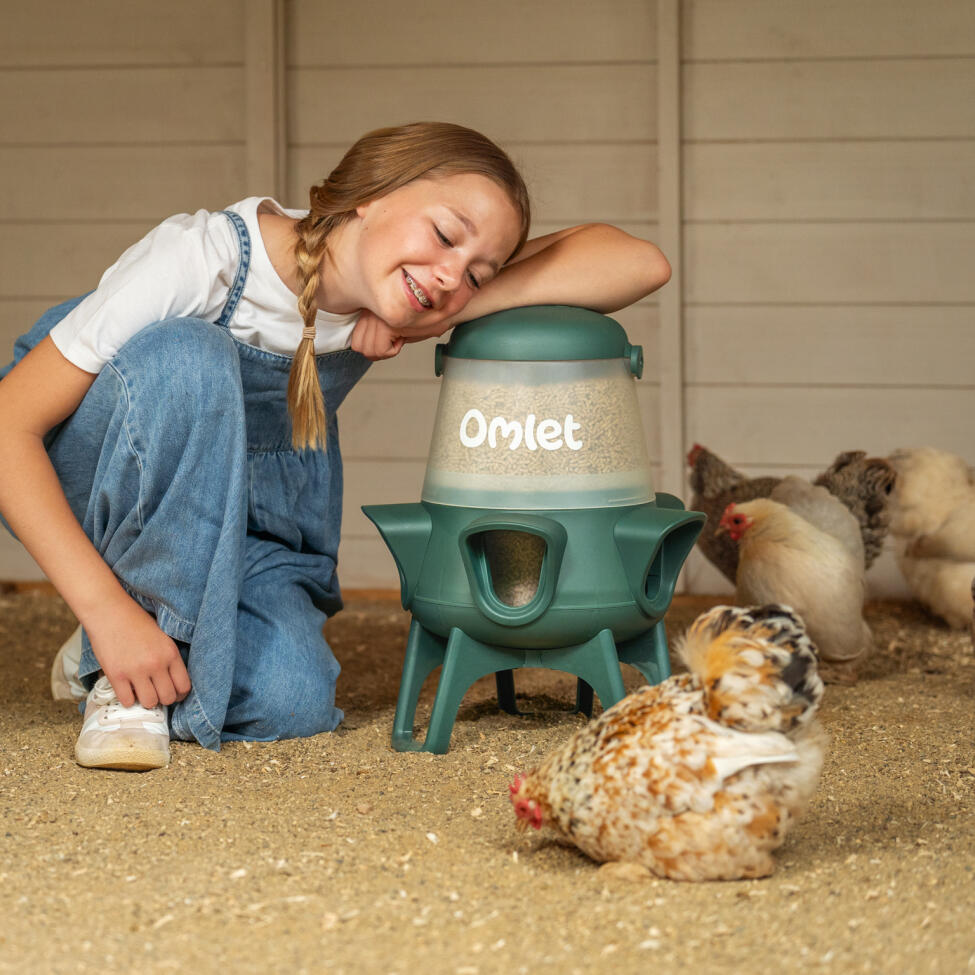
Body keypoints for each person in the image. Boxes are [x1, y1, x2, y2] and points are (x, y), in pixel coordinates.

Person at [0, 121, 671, 771]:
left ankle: (141, 630)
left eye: (477, 273)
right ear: (368, 193)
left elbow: (637, 263)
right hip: (89, 476)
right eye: (442, 236)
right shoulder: (201, 259)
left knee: (291, 698)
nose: (449, 273)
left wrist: (429, 307)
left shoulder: (397, 290)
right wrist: (107, 612)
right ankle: (122, 644)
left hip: (241, 522)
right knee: (189, 354)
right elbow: (8, 428)